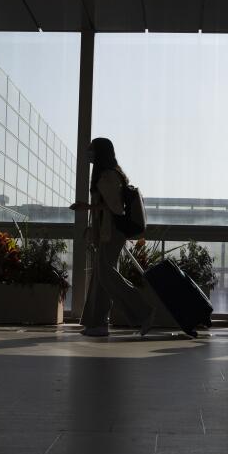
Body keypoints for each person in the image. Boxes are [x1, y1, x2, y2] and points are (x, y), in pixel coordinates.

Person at [70, 137, 160, 338]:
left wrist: (88, 207)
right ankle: (97, 323)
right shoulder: (109, 173)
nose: (88, 152)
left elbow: (116, 208)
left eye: (92, 148)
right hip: (107, 232)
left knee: (106, 274)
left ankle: (143, 311)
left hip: (112, 232)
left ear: (100, 152)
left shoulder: (108, 175)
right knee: (100, 277)